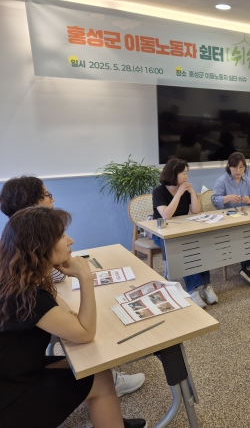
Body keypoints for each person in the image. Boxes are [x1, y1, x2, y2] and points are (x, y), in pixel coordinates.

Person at [0, 207, 147, 428]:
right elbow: (85, 333)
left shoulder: (17, 278)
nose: (71, 240)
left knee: (93, 367)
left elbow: (66, 313)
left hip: (14, 371)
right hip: (10, 394)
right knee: (100, 380)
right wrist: (85, 278)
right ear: (39, 247)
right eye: (61, 236)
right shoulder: (28, 296)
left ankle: (111, 420)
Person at [152, 159, 218, 308]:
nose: (186, 177)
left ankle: (206, 286)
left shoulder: (185, 190)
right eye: (183, 173)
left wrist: (192, 192)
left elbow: (195, 211)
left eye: (187, 173)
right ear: (173, 174)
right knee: (185, 248)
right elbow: (166, 215)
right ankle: (192, 290)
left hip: (182, 231)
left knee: (200, 245)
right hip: (162, 233)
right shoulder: (159, 192)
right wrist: (179, 193)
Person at [211, 152, 250, 285]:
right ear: (229, 167)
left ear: (245, 168)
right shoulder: (222, 180)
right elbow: (214, 200)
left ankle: (249, 268)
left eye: (241, 167)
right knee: (246, 234)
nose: (238, 171)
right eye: (235, 167)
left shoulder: (248, 181)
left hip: (245, 218)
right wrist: (227, 198)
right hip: (229, 221)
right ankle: (249, 268)